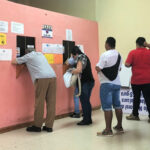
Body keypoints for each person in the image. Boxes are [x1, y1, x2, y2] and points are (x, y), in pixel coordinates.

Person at [12, 48, 56, 132]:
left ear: (26, 52)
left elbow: (14, 61)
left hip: (42, 78)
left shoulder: (28, 56)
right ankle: (49, 126)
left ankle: (37, 126)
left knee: (39, 102)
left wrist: (24, 60)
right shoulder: (40, 54)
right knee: (51, 102)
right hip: (53, 77)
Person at [96, 37, 123, 136]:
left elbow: (99, 68)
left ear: (107, 44)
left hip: (106, 84)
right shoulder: (119, 55)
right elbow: (119, 69)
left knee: (107, 107)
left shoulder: (104, 54)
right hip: (117, 84)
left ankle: (108, 130)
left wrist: (96, 67)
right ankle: (119, 126)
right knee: (117, 105)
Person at [125, 37, 150, 123]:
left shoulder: (133, 52)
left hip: (136, 81)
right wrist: (147, 45)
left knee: (136, 98)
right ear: (144, 43)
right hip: (148, 80)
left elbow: (127, 64)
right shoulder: (149, 52)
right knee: (148, 98)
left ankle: (135, 115)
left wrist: (132, 64)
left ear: (136, 44)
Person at [71, 46, 95, 125]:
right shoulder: (85, 56)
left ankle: (86, 120)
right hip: (90, 81)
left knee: (84, 101)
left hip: (85, 82)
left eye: (73, 56)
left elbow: (79, 70)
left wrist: (71, 71)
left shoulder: (80, 58)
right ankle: (88, 118)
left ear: (76, 54)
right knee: (87, 101)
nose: (73, 58)